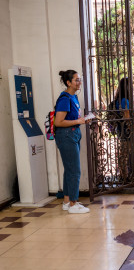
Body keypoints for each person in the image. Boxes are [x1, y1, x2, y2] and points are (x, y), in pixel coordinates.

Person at [54, 70, 90, 214]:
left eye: (80, 79)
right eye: (76, 80)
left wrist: (83, 120)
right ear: (68, 83)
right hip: (66, 136)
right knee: (74, 170)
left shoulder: (73, 97)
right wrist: (78, 121)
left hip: (73, 134)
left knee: (69, 169)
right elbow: (58, 122)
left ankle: (67, 201)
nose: (79, 82)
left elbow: (74, 118)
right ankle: (73, 205)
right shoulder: (65, 98)